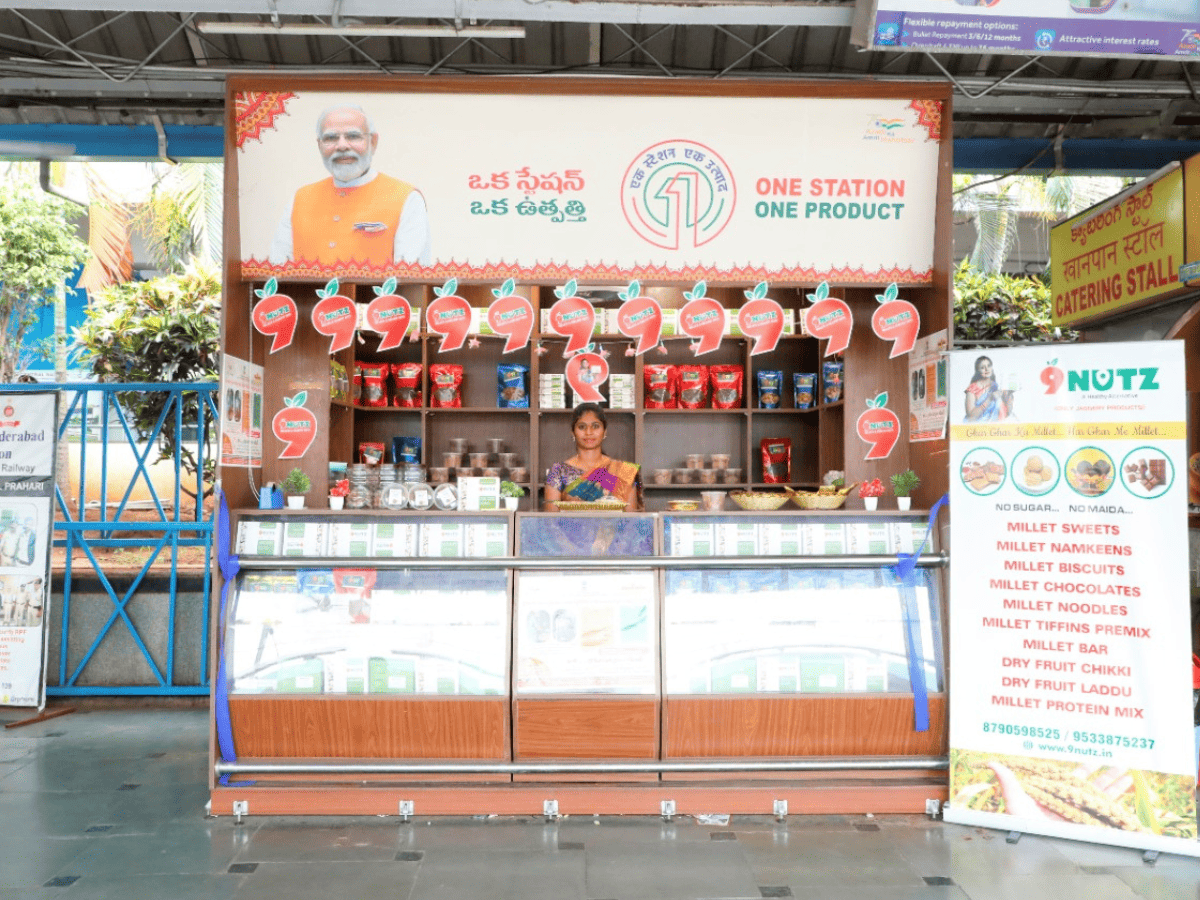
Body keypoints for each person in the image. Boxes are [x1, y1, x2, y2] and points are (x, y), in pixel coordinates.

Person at [268, 104, 432, 268]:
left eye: (353, 136)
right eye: (331, 138)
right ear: (319, 145)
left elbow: (410, 281)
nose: (342, 146)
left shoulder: (406, 198)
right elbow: (277, 273)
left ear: (373, 142)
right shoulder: (300, 199)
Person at [543, 403, 641, 511]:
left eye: (595, 426)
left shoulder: (623, 472)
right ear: (573, 432)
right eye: (582, 427)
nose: (588, 432)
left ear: (605, 432)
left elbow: (631, 521)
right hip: (570, 528)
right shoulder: (558, 471)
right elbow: (550, 521)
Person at [964, 354, 1014, 422]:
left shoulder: (996, 385)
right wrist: (989, 399)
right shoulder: (972, 389)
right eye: (982, 367)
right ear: (978, 370)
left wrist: (1009, 395)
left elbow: (1006, 413)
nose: (986, 369)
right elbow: (971, 416)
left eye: (989, 366)